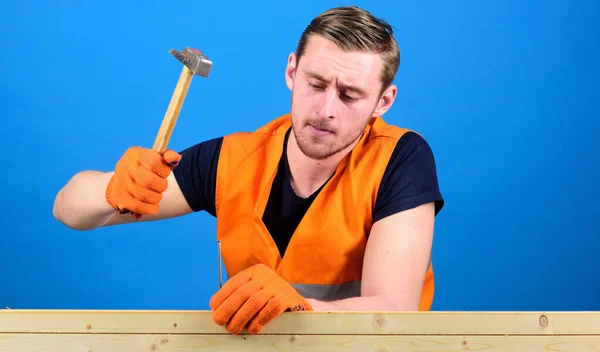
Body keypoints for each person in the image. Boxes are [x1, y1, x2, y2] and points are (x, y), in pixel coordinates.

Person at [53, 5, 444, 335]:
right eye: (316, 83)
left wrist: (301, 307)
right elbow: (68, 210)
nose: (326, 110)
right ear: (292, 72)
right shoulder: (234, 160)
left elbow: (395, 310)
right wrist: (111, 190)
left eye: (350, 95)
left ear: (383, 101)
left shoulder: (400, 159)